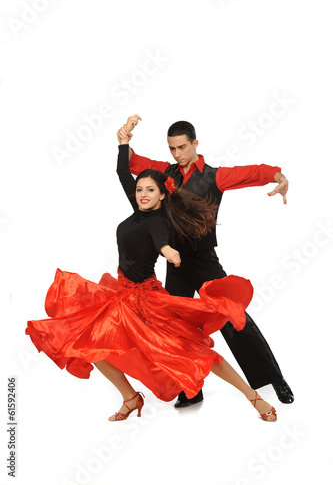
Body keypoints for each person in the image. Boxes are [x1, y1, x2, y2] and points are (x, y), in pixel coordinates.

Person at [25, 127, 277, 423]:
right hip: (121, 298)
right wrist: (123, 143)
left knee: (196, 353)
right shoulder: (139, 208)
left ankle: (254, 397)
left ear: (162, 196)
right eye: (140, 189)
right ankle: (131, 398)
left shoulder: (159, 220)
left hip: (147, 302)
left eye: (150, 190)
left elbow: (160, 239)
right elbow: (122, 173)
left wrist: (168, 251)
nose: (143, 194)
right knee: (89, 344)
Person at [124, 114, 294, 407]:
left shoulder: (214, 176)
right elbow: (133, 162)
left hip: (204, 261)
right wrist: (124, 138)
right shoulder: (165, 173)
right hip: (175, 262)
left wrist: (280, 177)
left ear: (195, 144)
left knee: (232, 317)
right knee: (177, 327)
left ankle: (274, 378)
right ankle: (191, 390)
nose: (177, 154)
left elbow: (253, 172)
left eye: (181, 147)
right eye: (172, 149)